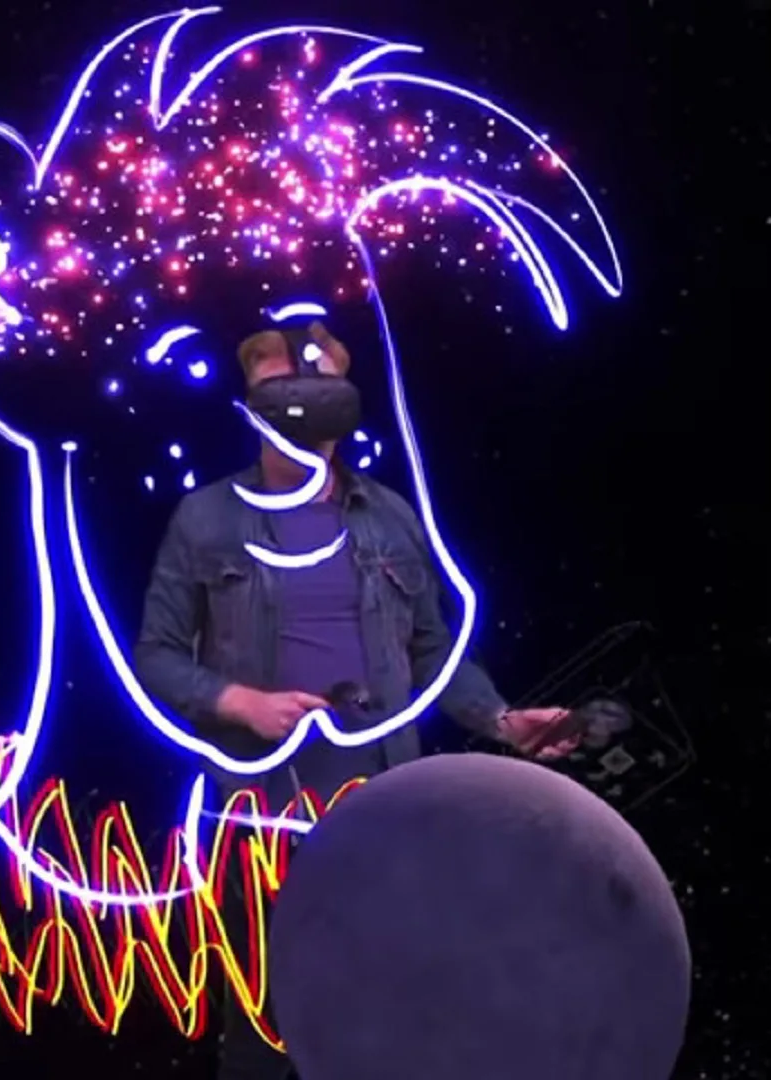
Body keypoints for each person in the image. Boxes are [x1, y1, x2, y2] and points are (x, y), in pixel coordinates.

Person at [132, 322, 578, 1080]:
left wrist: (502, 720)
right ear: (250, 403)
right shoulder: (207, 518)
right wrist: (240, 701)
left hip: (383, 816)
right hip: (262, 820)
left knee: (388, 1027)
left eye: (319, 380)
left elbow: (432, 652)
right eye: (280, 383)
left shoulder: (391, 516)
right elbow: (158, 656)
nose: (303, 397)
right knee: (263, 1039)